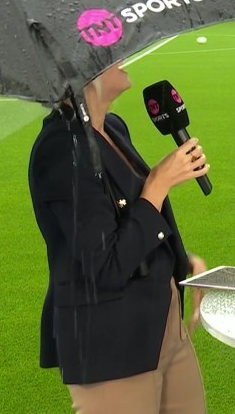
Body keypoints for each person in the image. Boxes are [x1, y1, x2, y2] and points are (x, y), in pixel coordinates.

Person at [29, 61, 210, 413]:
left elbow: (123, 215)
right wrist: (157, 184)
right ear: (82, 72)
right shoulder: (60, 150)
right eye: (109, 54)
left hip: (161, 322)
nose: (122, 58)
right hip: (111, 345)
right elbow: (105, 265)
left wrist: (180, 260)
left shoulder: (112, 127)